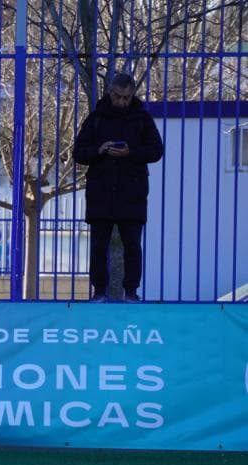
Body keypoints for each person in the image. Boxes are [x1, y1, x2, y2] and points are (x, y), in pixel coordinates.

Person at [75, 72, 164, 303]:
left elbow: (156, 151)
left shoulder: (142, 119)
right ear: (110, 93)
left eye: (126, 97)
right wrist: (100, 149)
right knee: (98, 246)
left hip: (132, 193)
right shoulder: (96, 118)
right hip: (101, 192)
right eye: (117, 97)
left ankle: (131, 292)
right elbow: (79, 152)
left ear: (132, 94)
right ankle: (99, 292)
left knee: (133, 247)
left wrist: (131, 152)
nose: (122, 102)